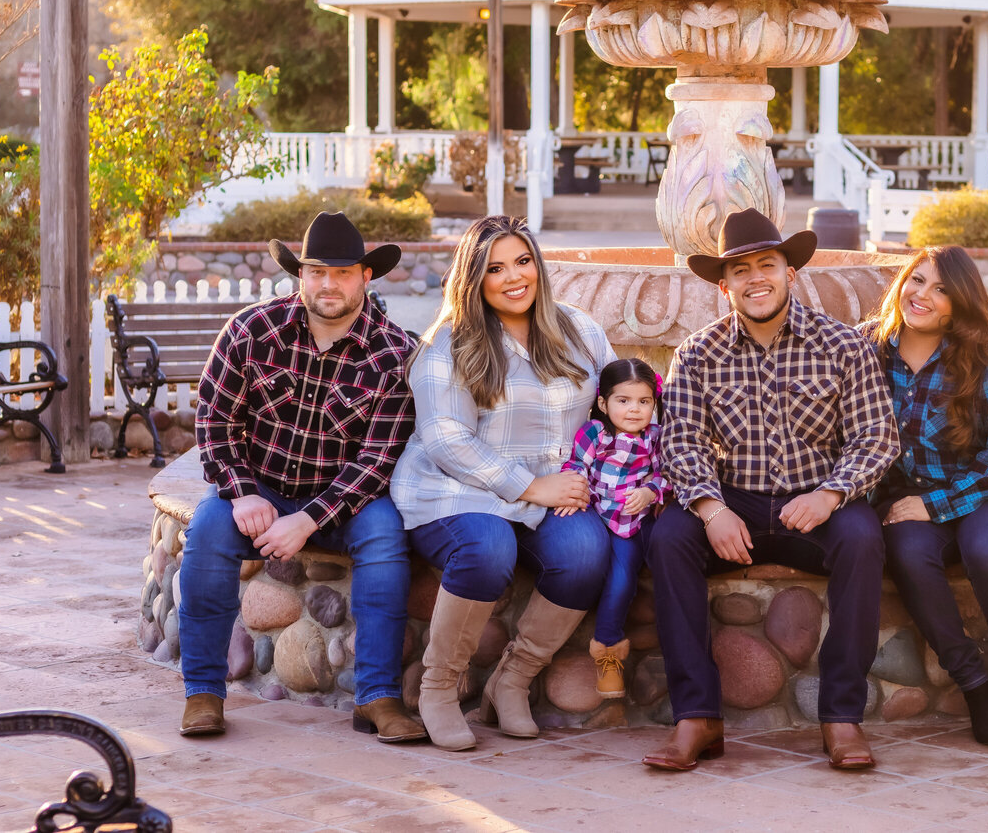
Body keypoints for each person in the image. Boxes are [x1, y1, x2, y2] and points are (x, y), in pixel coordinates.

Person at [645, 209, 899, 773]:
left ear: (790, 272)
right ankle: (698, 717)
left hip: (818, 502)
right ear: (724, 283)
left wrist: (831, 495)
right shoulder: (698, 354)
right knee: (669, 540)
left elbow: (877, 438)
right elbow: (681, 443)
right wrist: (710, 510)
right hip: (734, 500)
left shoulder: (842, 346)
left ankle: (840, 715)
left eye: (767, 264)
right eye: (741, 270)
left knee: (862, 539)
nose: (755, 278)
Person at [179, 212, 424, 743]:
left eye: (342, 272)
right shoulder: (250, 331)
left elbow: (376, 461)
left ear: (365, 277)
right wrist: (240, 492)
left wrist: (309, 520)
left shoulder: (396, 355)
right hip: (259, 487)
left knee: (385, 536)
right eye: (316, 271)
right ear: (300, 276)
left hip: (345, 502)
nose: (328, 284)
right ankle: (203, 692)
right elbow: (214, 420)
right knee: (206, 531)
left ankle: (378, 698)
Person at [390, 215, 615, 751]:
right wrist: (530, 486)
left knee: (586, 552)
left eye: (523, 260)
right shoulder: (450, 343)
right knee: (487, 549)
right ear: (473, 279)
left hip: (552, 491)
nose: (514, 277)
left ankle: (510, 681)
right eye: (495, 268)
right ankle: (439, 689)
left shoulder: (580, 331)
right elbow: (446, 439)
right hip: (455, 488)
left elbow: (616, 404)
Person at [865, 246, 988, 746]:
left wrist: (936, 504)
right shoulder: (869, 349)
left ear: (959, 303)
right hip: (909, 495)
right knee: (906, 550)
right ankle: (975, 686)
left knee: (986, 550)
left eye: (941, 289)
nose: (921, 295)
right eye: (916, 280)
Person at [561, 357, 666, 698]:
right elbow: (575, 465)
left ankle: (608, 647)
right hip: (593, 514)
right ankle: (601, 648)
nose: (634, 410)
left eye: (644, 401)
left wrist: (651, 491)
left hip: (630, 523)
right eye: (623, 401)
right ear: (604, 403)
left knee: (623, 581)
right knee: (592, 568)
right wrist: (573, 491)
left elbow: (672, 473)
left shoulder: (656, 437)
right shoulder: (595, 433)